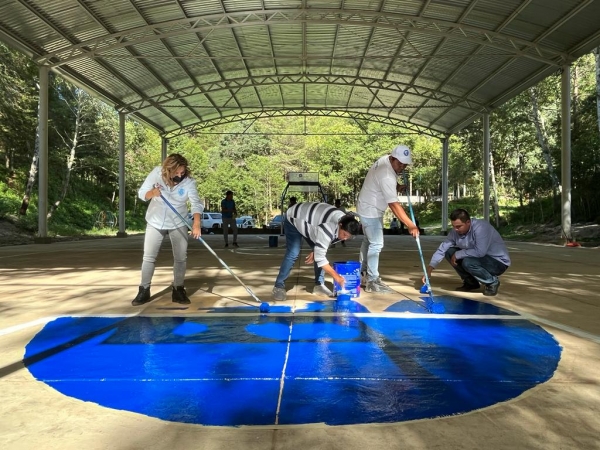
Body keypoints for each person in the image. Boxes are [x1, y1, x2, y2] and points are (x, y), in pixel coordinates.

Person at [131, 154, 203, 306]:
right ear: (167, 169)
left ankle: (178, 289)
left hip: (178, 222)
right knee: (149, 257)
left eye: (182, 173)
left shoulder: (189, 182)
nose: (179, 176)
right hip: (155, 221)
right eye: (176, 173)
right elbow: (141, 193)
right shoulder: (157, 173)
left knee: (180, 257)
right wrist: (152, 193)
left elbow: (196, 203)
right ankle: (144, 289)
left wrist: (196, 222)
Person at [357, 144, 419, 294]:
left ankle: (363, 273)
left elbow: (383, 183)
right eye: (399, 163)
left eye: (405, 164)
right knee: (376, 244)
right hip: (371, 209)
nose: (402, 167)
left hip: (367, 206)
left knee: (369, 241)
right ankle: (372, 280)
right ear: (392, 158)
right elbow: (394, 204)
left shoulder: (384, 160)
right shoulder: (387, 176)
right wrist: (410, 224)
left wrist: (397, 187)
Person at [272, 202, 361, 301]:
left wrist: (317, 249)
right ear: (340, 225)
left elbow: (325, 244)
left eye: (349, 237)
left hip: (314, 223)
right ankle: (278, 286)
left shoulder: (345, 221)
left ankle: (319, 285)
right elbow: (320, 258)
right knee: (293, 252)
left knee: (319, 251)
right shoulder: (328, 227)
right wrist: (337, 276)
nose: (345, 238)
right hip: (294, 217)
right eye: (344, 234)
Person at [423, 208, 511, 296]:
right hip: (478, 259)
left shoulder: (481, 227)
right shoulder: (455, 232)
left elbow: (480, 252)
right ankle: (471, 282)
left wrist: (458, 254)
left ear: (468, 222)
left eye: (458, 226)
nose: (455, 229)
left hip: (497, 262)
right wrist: (429, 270)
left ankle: (492, 282)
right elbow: (442, 249)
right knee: (449, 252)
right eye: (453, 226)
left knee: (467, 261)